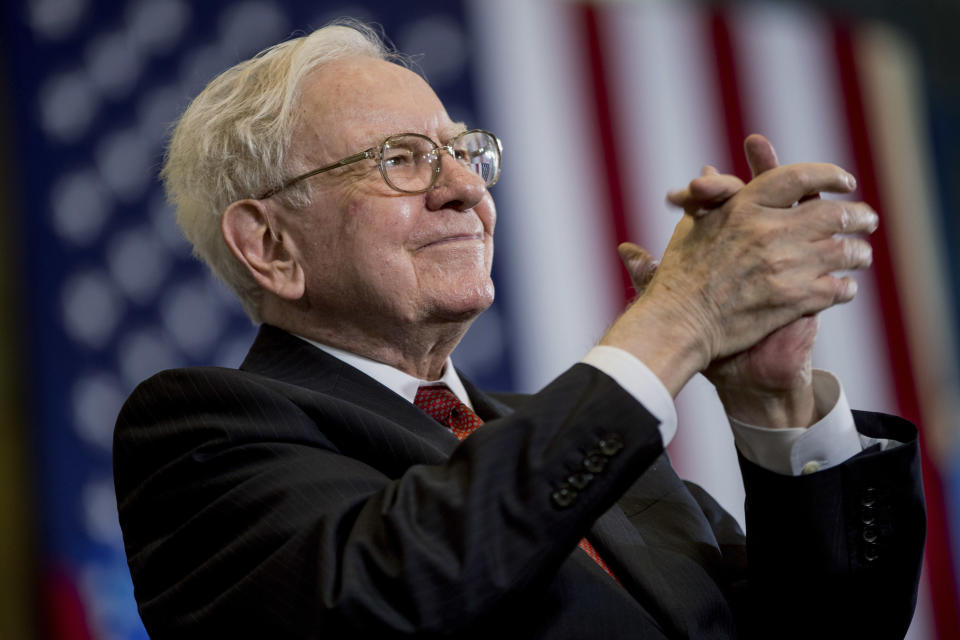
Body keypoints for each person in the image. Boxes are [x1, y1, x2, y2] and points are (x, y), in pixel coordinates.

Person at [114, 20, 924, 639]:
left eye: (464, 153)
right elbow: (393, 598)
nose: (464, 187)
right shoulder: (203, 434)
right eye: (400, 159)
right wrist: (677, 322)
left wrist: (773, 405)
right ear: (271, 244)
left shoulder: (602, 449)